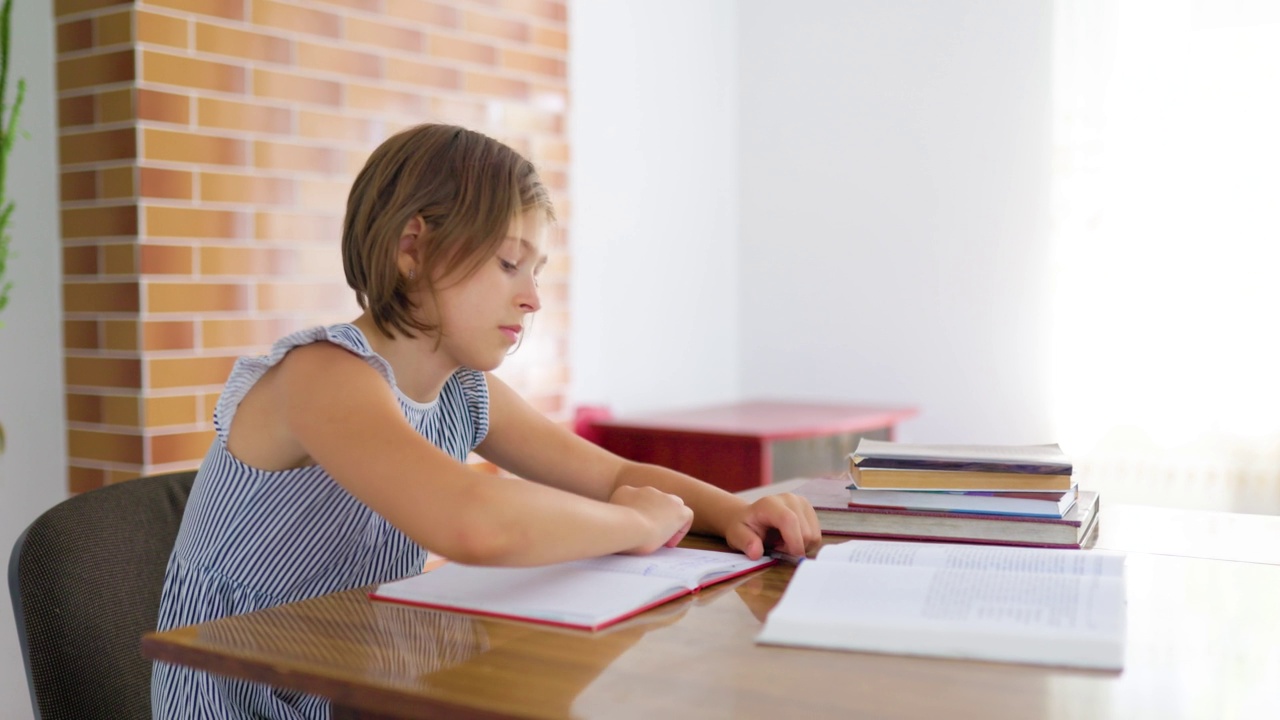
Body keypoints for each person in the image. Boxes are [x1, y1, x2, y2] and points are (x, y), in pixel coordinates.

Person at [151, 124, 821, 718]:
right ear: (413, 248)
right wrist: (639, 524)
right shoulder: (321, 375)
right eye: (508, 263)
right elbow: (474, 520)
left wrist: (731, 512)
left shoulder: (462, 390)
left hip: (353, 682)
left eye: (537, 271)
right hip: (238, 694)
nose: (530, 298)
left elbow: (610, 472)